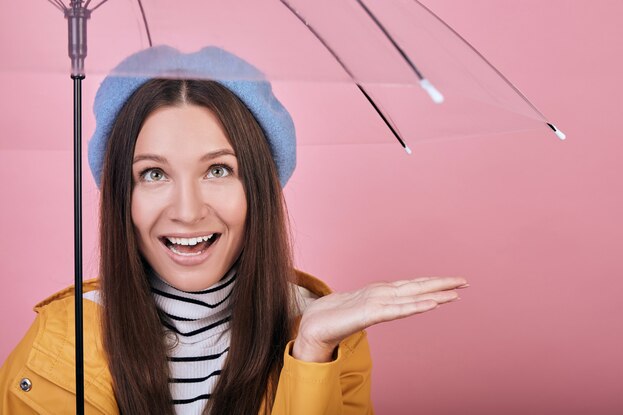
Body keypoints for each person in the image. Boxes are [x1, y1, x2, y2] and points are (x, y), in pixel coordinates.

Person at [0, 46, 468, 415]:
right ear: (123, 195)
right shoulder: (57, 350)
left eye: (219, 171)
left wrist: (310, 357)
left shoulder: (328, 337)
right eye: (154, 174)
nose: (187, 211)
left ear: (259, 188)